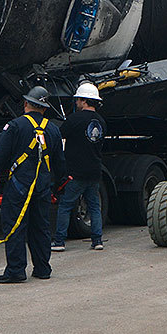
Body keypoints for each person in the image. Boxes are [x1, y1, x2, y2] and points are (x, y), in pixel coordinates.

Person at [0, 86, 65, 283]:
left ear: (25, 104)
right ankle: (42, 268)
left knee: (14, 226)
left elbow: (0, 156)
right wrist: (57, 186)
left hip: (19, 185)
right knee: (41, 227)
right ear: (44, 108)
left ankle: (16, 270)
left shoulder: (15, 126)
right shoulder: (53, 129)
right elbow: (60, 163)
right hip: (42, 186)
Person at [52, 82, 107, 251]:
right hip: (94, 170)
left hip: (75, 172)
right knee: (94, 206)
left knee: (65, 206)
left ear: (84, 101)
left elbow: (58, 136)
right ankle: (97, 241)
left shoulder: (74, 119)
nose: (76, 103)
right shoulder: (101, 122)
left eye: (78, 100)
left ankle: (60, 241)